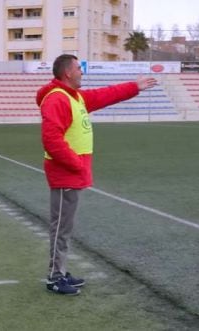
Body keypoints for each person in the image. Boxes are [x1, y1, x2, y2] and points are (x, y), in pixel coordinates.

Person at [36, 54, 157, 295]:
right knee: (61, 228)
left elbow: (105, 95)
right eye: (79, 68)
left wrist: (135, 87)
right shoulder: (58, 99)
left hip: (71, 175)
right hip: (65, 175)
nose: (82, 72)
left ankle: (60, 271)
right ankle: (54, 277)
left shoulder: (75, 97)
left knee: (65, 228)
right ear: (68, 73)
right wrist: (77, 165)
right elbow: (52, 140)